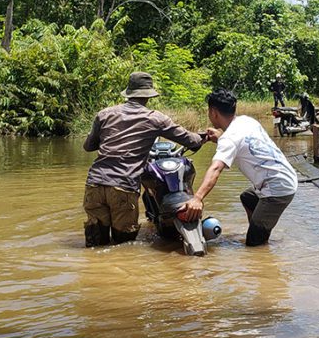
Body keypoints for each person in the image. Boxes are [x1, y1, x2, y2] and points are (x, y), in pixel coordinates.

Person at [82, 71, 207, 247]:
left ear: (129, 93)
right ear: (148, 96)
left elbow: (88, 146)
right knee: (123, 246)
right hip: (122, 185)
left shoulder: (105, 114)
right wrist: (204, 136)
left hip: (94, 184)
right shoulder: (155, 118)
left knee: (95, 245)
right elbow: (191, 140)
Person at [179, 89, 297, 246]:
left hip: (277, 190)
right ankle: (261, 225)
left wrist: (197, 198)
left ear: (213, 112)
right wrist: (220, 138)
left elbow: (216, 169)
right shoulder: (247, 121)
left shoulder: (229, 139)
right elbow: (239, 141)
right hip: (286, 178)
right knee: (248, 198)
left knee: (254, 245)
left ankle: (260, 239)